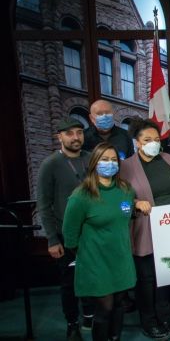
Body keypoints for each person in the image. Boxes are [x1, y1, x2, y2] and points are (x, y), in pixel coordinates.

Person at [62, 142, 136, 341]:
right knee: (105, 308)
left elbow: (126, 217)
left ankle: (115, 338)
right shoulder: (81, 195)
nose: (109, 164)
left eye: (113, 160)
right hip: (96, 262)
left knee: (120, 304)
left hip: (121, 258)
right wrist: (86, 253)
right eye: (104, 159)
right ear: (94, 163)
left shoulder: (126, 190)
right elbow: (70, 234)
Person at [120, 118, 170, 339]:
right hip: (144, 228)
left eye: (156, 139)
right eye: (147, 139)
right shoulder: (125, 166)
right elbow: (120, 200)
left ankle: (164, 317)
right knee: (146, 279)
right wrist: (135, 203)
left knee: (165, 274)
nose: (153, 143)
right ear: (137, 142)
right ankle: (149, 321)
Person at [36, 117, 93, 341]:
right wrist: (51, 239)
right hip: (65, 234)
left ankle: (89, 314)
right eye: (69, 134)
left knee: (92, 277)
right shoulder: (50, 164)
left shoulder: (91, 159)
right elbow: (44, 204)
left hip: (92, 232)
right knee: (69, 282)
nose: (75, 137)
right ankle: (72, 322)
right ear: (59, 136)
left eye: (79, 132)